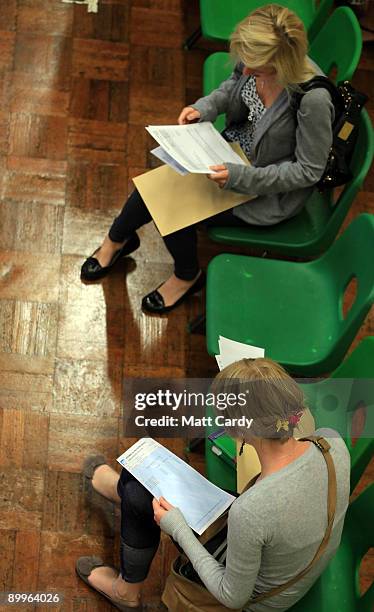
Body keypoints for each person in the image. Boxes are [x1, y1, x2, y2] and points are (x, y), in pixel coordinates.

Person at [80, 3, 333, 314]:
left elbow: (309, 171)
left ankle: (184, 274)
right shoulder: (255, 59)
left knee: (170, 204)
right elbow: (231, 88)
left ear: (283, 59)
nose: (247, 70)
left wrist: (240, 177)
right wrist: (205, 108)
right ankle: (117, 240)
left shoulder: (313, 100)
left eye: (256, 66)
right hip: (229, 154)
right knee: (156, 189)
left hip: (265, 189)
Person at [76, 358, 350, 610]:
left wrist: (178, 528)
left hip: (259, 596)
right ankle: (125, 492)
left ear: (239, 431)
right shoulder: (331, 442)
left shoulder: (251, 511)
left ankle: (126, 592)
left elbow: (233, 596)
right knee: (137, 482)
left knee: (138, 493)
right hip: (290, 553)